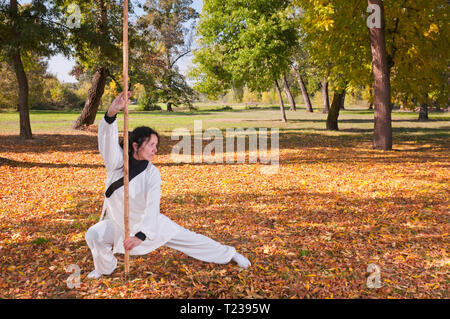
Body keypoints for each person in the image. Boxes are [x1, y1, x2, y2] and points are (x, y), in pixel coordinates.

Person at [85, 92, 251, 279]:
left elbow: (152, 207)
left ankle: (231, 254)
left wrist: (141, 235)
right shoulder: (117, 161)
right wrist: (112, 111)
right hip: (118, 224)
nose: (156, 150)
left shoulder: (152, 174)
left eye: (157, 145)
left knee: (190, 239)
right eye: (151, 145)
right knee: (94, 235)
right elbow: (107, 140)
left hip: (149, 224)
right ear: (135, 145)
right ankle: (104, 268)